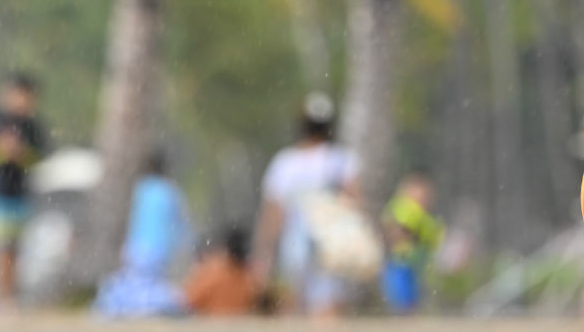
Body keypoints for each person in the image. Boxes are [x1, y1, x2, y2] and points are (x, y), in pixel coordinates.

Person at [252, 92, 366, 317]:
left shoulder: (285, 163)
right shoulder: (342, 159)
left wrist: (264, 254)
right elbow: (356, 202)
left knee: (291, 304)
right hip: (330, 243)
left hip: (294, 244)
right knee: (328, 306)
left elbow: (273, 215)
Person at [0, 71, 49, 308]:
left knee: (16, 249)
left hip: (21, 195)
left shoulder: (31, 126)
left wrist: (21, 154)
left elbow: (40, 157)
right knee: (0, 248)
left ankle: (10, 296)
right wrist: (1, 151)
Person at [93, 152, 194, 319]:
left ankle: (125, 307)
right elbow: (181, 224)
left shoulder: (142, 189)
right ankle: (150, 308)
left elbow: (134, 219)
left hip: (136, 247)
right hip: (159, 248)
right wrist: (188, 245)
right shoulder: (169, 191)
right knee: (152, 284)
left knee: (135, 282)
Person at [381, 173, 444, 313]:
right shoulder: (404, 208)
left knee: (416, 290)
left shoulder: (423, 212)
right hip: (402, 258)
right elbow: (394, 228)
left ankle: (412, 310)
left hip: (418, 259)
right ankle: (405, 311)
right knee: (402, 290)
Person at [183, 226, 261, 317]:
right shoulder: (250, 279)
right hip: (237, 322)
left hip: (209, 322)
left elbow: (189, 300)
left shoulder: (214, 271)